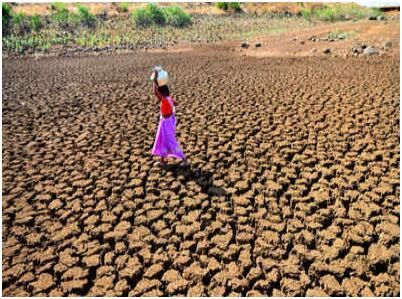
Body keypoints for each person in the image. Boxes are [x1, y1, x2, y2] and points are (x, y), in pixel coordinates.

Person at [151, 69, 186, 166]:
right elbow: (175, 103)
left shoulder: (165, 101)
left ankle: (184, 159)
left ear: (162, 94)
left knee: (171, 141)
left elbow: (155, 92)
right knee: (162, 139)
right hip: (167, 121)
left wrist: (154, 80)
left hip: (166, 123)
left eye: (160, 94)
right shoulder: (169, 98)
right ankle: (162, 160)